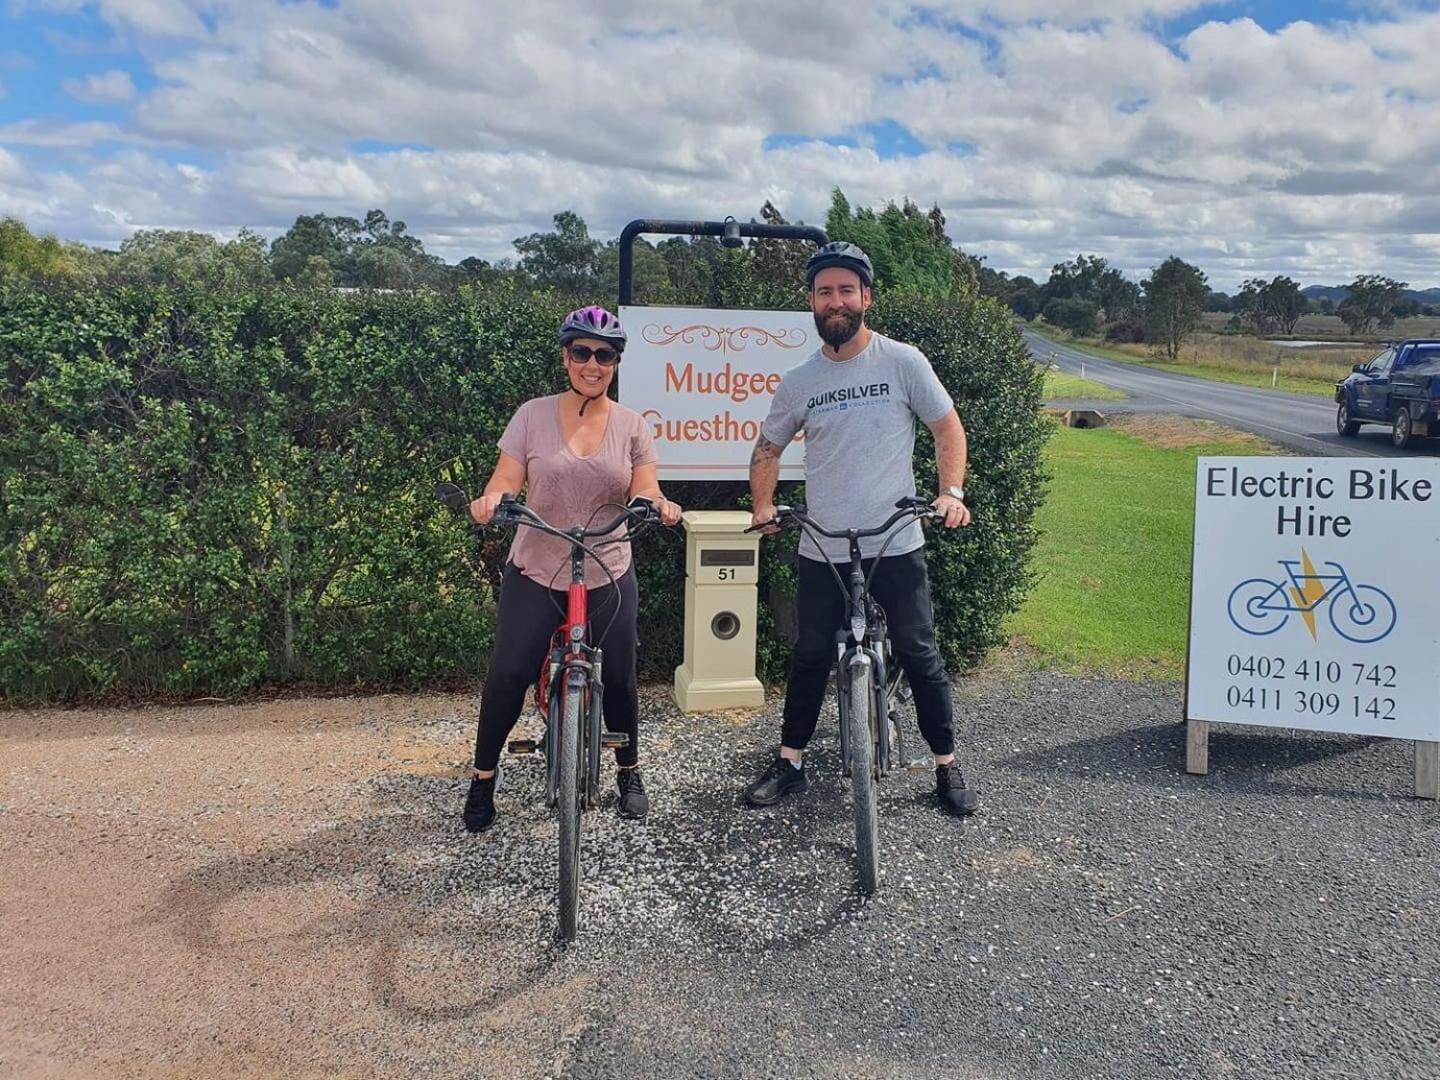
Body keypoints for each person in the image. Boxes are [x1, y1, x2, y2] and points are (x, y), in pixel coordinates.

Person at [744, 241, 979, 817]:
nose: (836, 300)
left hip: (895, 541)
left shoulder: (903, 362)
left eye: (846, 289)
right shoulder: (801, 379)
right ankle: (791, 761)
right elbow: (767, 447)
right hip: (822, 544)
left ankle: (945, 766)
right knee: (809, 655)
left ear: (866, 297)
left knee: (921, 654)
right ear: (813, 302)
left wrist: (950, 494)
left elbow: (948, 430)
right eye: (825, 291)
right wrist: (763, 507)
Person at [462, 305, 682, 832]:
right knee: (509, 672)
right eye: (582, 352)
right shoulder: (531, 416)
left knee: (624, 676)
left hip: (607, 564)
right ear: (566, 357)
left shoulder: (632, 426)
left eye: (604, 355)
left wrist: (658, 503)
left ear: (615, 363)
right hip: (539, 565)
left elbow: (644, 485)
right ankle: (482, 778)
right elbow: (506, 477)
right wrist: (493, 500)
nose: (593, 363)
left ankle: (628, 770)